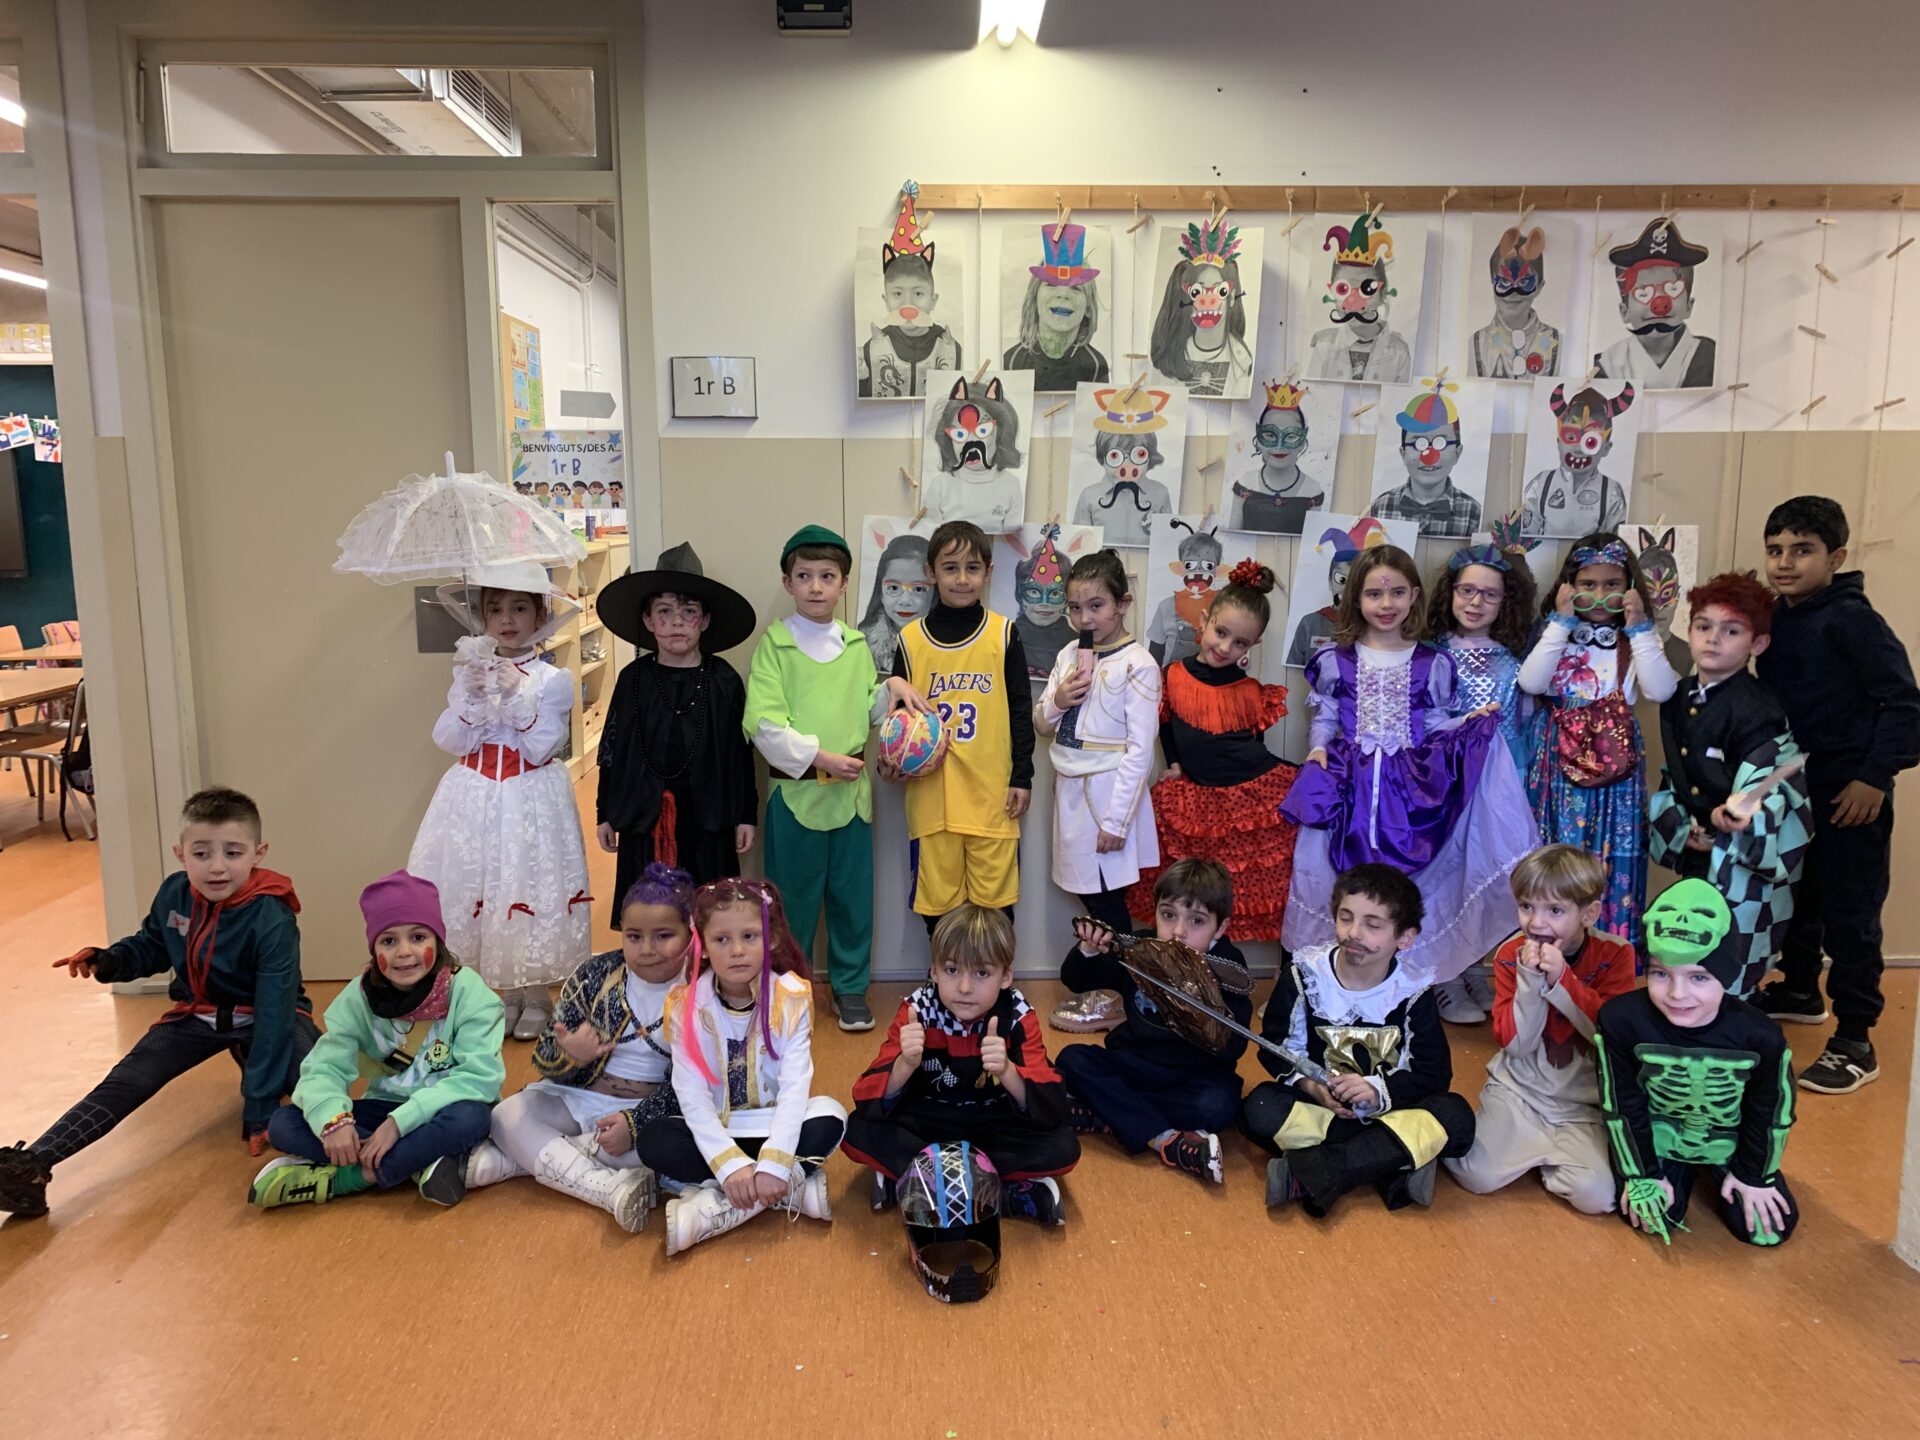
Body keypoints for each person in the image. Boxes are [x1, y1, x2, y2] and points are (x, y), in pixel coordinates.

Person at [0, 789, 314, 1219]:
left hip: (267, 1015)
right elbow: (151, 945)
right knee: (127, 1080)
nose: (217, 866)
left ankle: (265, 1078)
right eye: (201, 853)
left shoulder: (273, 917)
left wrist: (260, 1108)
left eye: (232, 852)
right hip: (197, 1015)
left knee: (318, 1081)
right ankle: (32, 1164)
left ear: (258, 854)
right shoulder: (174, 894)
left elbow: (275, 1015)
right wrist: (110, 960)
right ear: (180, 854)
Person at [1282, 545, 1538, 983]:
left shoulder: (1431, 662)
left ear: (1415, 595)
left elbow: (1434, 725)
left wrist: (1468, 724)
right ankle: (1329, 977)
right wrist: (1318, 747)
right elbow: (1325, 717)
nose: (1386, 604)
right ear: (1356, 598)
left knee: (1413, 873)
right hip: (1350, 783)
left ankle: (1404, 976)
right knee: (1332, 872)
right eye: (1374, 594)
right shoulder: (1336, 660)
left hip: (1408, 787)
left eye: (1397, 593)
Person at [1753, 497, 1920, 1094]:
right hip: (1797, 790)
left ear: (1836, 557)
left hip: (1852, 794)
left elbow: (1904, 703)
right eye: (1775, 550)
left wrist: (1875, 777)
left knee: (1851, 914)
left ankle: (1855, 1038)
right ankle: (1801, 989)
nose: (1785, 562)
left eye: (1802, 550)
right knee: (1801, 897)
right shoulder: (1779, 617)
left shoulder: (1852, 620)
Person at [408, 561, 591, 1043]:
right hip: (474, 796)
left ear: (539, 616)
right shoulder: (469, 674)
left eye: (519, 608)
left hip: (529, 795)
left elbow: (542, 746)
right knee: (488, 884)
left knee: (524, 882)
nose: (506, 619)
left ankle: (537, 994)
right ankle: (507, 994)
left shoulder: (552, 680)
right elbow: (449, 740)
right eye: (495, 610)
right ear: (482, 617)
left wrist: (514, 699)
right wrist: (470, 699)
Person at [461, 863, 696, 1233]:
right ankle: (607, 1189)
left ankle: (520, 1160)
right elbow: (544, 1057)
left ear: (691, 932)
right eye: (634, 936)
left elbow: (698, 1085)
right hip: (582, 1096)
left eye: (663, 936)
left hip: (655, 1109)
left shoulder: (704, 988)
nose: (647, 949)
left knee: (676, 1146)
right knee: (506, 1116)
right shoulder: (595, 974)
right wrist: (572, 1056)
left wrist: (634, 1124)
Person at [249, 871, 503, 1211]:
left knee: (474, 1119)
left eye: (418, 937)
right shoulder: (358, 997)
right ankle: (421, 1161)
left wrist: (399, 1124)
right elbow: (323, 1069)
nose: (404, 952)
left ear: (438, 941)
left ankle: (353, 1178)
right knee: (283, 1123)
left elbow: (480, 1079)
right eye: (388, 941)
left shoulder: (469, 992)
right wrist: (334, 1122)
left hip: (444, 1108)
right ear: (374, 948)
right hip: (385, 1109)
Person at [1242, 865, 1475, 1216]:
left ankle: (1316, 1172)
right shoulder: (1305, 974)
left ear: (1405, 937)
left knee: (1456, 1116)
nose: (1354, 933)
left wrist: (1376, 1091)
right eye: (1345, 918)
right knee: (1259, 1107)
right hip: (1325, 1112)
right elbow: (1276, 1048)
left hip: (1391, 1112)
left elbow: (1433, 1073)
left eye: (1373, 925)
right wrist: (1312, 1087)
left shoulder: (1412, 989)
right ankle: (1390, 1164)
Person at [635, 879, 846, 1256]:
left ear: (772, 939)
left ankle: (713, 1209)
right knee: (653, 1139)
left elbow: (795, 1088)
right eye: (721, 939)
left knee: (831, 1116)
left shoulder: (791, 998)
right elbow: (691, 1095)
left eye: (749, 936)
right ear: (702, 944)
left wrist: (774, 1162)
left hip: (772, 1126)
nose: (736, 951)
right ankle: (788, 1188)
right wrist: (730, 1164)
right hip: (719, 1129)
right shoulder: (685, 1005)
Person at [842, 905, 1078, 1225]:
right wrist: (904, 1064)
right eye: (952, 970)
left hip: (993, 1125)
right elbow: (866, 1093)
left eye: (982, 973)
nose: (965, 988)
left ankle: (919, 1183)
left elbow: (1052, 1102)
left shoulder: (1019, 1015)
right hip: (931, 1122)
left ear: (1006, 977)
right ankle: (1005, 1194)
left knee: (1063, 1145)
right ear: (934, 971)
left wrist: (1008, 1071)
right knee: (857, 1129)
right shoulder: (916, 1011)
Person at [1596, 880, 1799, 1247]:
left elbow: (1770, 1111)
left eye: (1699, 977)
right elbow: (1622, 1103)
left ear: (1726, 974)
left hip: (1728, 1142)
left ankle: (1724, 1174)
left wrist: (1754, 1175)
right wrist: (1641, 1173)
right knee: (1654, 1218)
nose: (1677, 994)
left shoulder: (1760, 1036)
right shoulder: (1621, 1021)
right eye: (1660, 973)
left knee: (1767, 1229)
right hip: (1660, 1138)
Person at [1443, 846, 1636, 1214]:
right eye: (1527, 906)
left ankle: (1538, 1155)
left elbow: (1610, 1035)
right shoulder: (1509, 954)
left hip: (1583, 1105)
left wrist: (1563, 979)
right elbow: (1516, 1045)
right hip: (1519, 1092)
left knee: (1597, 1196)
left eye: (1555, 911)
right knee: (1476, 1176)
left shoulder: (1616, 954)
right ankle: (1524, 1146)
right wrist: (1530, 980)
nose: (1536, 923)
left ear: (1589, 914)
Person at [1648, 571, 1812, 1000]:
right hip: (1700, 844)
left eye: (1732, 630)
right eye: (1703, 626)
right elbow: (1677, 772)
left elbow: (1772, 775)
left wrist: (1740, 812)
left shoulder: (1758, 707)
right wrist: (1683, 827)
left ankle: (1733, 1016)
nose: (1713, 639)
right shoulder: (1679, 696)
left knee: (1737, 942)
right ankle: (1690, 1011)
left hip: (1740, 852)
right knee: (1696, 932)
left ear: (1758, 644)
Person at [745, 526, 884, 1031]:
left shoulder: (856, 644)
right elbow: (763, 725)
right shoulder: (776, 646)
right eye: (805, 576)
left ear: (843, 584)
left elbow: (868, 707)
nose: (816, 586)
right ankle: (789, 989)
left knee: (851, 899)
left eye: (828, 576)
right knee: (791, 902)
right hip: (797, 796)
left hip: (851, 798)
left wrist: (895, 689)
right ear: (788, 583)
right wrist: (823, 759)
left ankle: (850, 989)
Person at [1518, 532, 1679, 948]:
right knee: (1554, 854)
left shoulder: (1634, 638)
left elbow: (1661, 689)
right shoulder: (1553, 632)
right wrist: (1561, 623)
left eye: (1613, 585)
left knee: (1607, 859)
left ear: (1630, 587)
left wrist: (1640, 627)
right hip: (1555, 764)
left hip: (1615, 770)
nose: (1601, 594)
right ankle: (1547, 946)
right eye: (1588, 584)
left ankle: (1606, 953)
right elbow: (1532, 682)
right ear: (1568, 586)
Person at [1127, 561, 1298, 941]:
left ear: (1252, 645)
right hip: (1194, 795)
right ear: (1204, 621)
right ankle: (1180, 953)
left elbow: (1254, 746)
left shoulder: (1250, 691)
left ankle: (1226, 955)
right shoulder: (1173, 674)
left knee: (1235, 886)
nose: (1225, 647)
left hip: (1244, 792)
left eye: (1240, 642)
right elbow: (1166, 724)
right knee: (1186, 885)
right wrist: (1174, 763)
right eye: (1221, 633)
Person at [1055, 860, 1251, 1185]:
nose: (1178, 931)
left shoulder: (1228, 966)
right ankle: (1165, 1139)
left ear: (1220, 928)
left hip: (1192, 1077)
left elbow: (1234, 1048)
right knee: (1072, 1059)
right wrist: (1088, 947)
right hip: (1134, 1064)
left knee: (1217, 1106)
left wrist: (1200, 1005)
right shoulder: (1141, 948)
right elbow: (1075, 979)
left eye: (1197, 921)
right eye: (1168, 915)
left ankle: (1107, 1115)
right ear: (1156, 912)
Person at [883, 520, 1035, 931]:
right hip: (932, 801)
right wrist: (890, 763)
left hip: (992, 798)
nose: (962, 579)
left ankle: (996, 977)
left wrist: (1022, 775)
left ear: (989, 572)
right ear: (931, 573)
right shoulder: (911, 640)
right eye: (950, 568)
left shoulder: (1003, 633)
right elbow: (896, 720)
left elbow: (1021, 709)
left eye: (972, 568)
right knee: (938, 915)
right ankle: (942, 974)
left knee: (996, 914)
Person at [596, 543, 759, 915]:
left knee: (710, 911)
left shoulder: (723, 680)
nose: (677, 622)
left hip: (708, 820)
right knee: (651, 913)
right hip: (645, 818)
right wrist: (604, 811)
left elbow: (739, 755)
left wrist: (745, 814)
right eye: (664, 611)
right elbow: (613, 749)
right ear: (648, 621)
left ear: (705, 620)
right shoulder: (633, 679)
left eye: (689, 611)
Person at [1422, 532, 1540, 1022]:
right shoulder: (1432, 653)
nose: (1476, 602)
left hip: (1503, 782)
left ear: (1505, 601)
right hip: (1450, 777)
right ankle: (1443, 975)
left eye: (1489, 594)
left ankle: (1472, 963)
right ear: (1450, 592)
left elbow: (1526, 721)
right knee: (1446, 873)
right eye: (1467, 590)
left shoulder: (1516, 658)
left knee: (1491, 874)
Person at [1034, 549, 1160, 945]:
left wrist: (1117, 821)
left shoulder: (1138, 663)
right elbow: (1042, 725)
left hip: (1110, 794)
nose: (1085, 619)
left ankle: (1124, 975)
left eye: (1096, 606)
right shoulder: (1068, 654)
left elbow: (1140, 750)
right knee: (1088, 894)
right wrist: (1059, 700)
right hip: (1069, 790)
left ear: (1122, 603)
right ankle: (1110, 972)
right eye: (1075, 608)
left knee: (1107, 902)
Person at [859, 182, 960, 398]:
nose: (908, 304)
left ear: (933, 300)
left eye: (918, 293)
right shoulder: (871, 349)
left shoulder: (950, 348)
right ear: (886, 300)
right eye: (898, 294)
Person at [1593, 217, 1716, 390]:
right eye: (1643, 293)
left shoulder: (1708, 356)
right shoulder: (1606, 365)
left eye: (1672, 289)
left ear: (1689, 306)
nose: (1659, 305)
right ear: (1624, 311)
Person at [1148, 216, 1252, 398]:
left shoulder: (1243, 361)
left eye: (1220, 291)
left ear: (1231, 297)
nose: (1208, 300)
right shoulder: (1170, 358)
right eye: (1197, 292)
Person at [1305, 210, 1412, 383]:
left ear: (1383, 293)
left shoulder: (1399, 351)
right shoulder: (1324, 345)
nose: (1353, 304)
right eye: (1343, 289)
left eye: (1367, 289)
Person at [1002, 221, 1110, 391]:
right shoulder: (1012, 362)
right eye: (1051, 284)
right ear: (1034, 298)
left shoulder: (1096, 366)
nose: (1063, 294)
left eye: (1076, 288)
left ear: (1088, 308)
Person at [1367, 381, 1482, 539]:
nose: (1428, 455)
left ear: (1457, 453)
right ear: (1403, 453)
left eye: (1440, 443)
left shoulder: (1474, 513)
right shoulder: (1380, 507)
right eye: (1418, 443)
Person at [1519, 383, 1634, 537]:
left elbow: (1615, 542)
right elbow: (1526, 536)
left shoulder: (1612, 491)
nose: (1578, 448)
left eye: (1590, 442)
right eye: (1571, 437)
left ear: (1606, 448)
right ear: (1559, 442)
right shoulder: (1541, 484)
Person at [1070, 386, 1176, 548]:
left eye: (1139, 454)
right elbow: (1081, 548)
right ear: (1103, 458)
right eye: (1115, 456)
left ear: (1149, 457)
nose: (1127, 465)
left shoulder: (1160, 493)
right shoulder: (1089, 495)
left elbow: (1165, 543)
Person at [921, 375, 1026, 533]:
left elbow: (1011, 536)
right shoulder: (940, 485)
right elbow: (931, 534)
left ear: (1000, 433)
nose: (971, 442)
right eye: (960, 434)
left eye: (982, 431)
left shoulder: (1010, 485)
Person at [1284, 517, 1385, 669]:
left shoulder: (1377, 624)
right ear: (1330, 581)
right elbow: (1293, 671)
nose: (1348, 590)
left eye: (1356, 581)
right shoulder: (1310, 623)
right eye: (1341, 580)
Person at [1227, 380, 1326, 535]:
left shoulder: (1312, 490)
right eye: (1270, 434)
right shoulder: (1245, 483)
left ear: (1303, 441)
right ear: (1258, 439)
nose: (1279, 446)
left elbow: (1311, 542)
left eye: (1291, 436)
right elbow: (1233, 537)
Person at [1469, 225, 1561, 378]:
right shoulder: (1476, 343)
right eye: (1504, 282)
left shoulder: (1557, 342)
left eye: (1524, 282)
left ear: (1539, 287)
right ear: (1492, 283)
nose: (1513, 293)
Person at [1145, 521, 1224, 667]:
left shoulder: (1224, 608)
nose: (1198, 572)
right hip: (1170, 679)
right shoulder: (1166, 607)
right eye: (1190, 565)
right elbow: (1154, 658)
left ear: (1216, 570)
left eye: (1207, 565)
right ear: (1181, 568)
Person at [857, 529, 933, 675]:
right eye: (893, 588)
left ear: (935, 593)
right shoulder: (862, 644)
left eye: (919, 589)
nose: (905, 601)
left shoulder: (948, 643)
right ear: (880, 593)